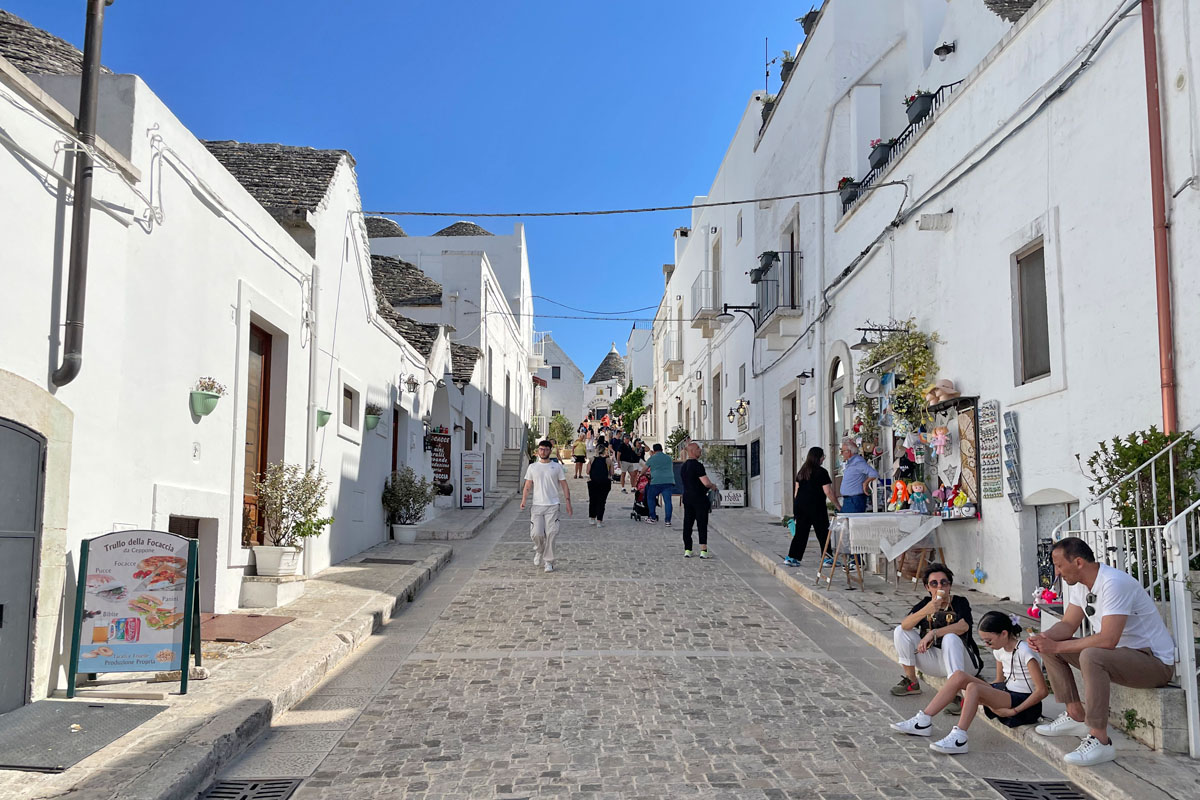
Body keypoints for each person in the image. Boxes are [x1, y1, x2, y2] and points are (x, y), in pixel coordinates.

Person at [1028, 537, 1176, 767]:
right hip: (1120, 656)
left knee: (1091, 654)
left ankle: (1100, 740)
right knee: (1050, 643)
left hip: (1154, 662)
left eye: (1059, 565)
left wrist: (1056, 646)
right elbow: (1068, 625)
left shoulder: (1114, 583)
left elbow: (1108, 639)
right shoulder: (1080, 585)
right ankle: (1075, 715)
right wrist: (1044, 639)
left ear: (1078, 562)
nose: (1056, 572)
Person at [891, 611, 1048, 754]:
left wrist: (1013, 711)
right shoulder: (999, 649)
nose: (987, 645)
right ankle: (923, 720)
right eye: (984, 641)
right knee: (959, 676)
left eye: (989, 641)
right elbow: (999, 681)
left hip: (1024, 705)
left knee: (973, 687)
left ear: (1004, 633)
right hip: (1007, 694)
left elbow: (1042, 691)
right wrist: (989, 701)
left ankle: (959, 737)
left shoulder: (1025, 651)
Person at [890, 563, 982, 716]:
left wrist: (933, 633)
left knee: (950, 638)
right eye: (934, 583)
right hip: (936, 660)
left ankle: (957, 695)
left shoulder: (960, 602)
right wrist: (927, 610)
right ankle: (912, 682)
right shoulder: (925, 604)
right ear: (928, 587)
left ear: (949, 585)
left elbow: (963, 626)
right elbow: (905, 624)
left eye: (943, 582)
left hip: (963, 662)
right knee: (900, 631)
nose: (940, 586)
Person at [520, 440, 572, 573]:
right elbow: (528, 485)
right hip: (537, 505)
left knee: (551, 533)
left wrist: (568, 502)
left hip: (553, 505)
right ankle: (539, 550)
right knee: (536, 534)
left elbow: (564, 485)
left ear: (550, 450)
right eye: (541, 449)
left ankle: (548, 561)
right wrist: (524, 500)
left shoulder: (557, 467)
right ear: (538, 450)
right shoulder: (532, 467)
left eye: (546, 449)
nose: (543, 452)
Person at [785, 447, 839, 567]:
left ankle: (792, 557)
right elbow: (828, 491)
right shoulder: (822, 472)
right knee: (823, 532)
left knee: (801, 532)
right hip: (816, 506)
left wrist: (796, 508)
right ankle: (827, 558)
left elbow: (796, 492)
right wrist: (838, 505)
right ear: (818, 458)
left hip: (800, 506)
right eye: (823, 456)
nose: (824, 458)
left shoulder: (802, 472)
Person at [680, 442, 718, 558]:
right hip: (699, 498)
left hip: (687, 498)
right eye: (698, 448)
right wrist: (713, 486)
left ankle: (688, 549)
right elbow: (705, 483)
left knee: (688, 524)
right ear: (692, 451)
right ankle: (703, 550)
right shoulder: (698, 466)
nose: (700, 450)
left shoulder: (683, 466)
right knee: (701, 524)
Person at [838, 439, 879, 513]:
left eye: (842, 451)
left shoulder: (857, 461)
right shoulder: (851, 462)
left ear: (848, 452)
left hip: (854, 500)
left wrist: (865, 483)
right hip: (850, 500)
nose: (841, 453)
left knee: (852, 520)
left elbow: (873, 473)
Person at [644, 443, 675, 527]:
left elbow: (644, 469)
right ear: (662, 449)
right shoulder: (668, 458)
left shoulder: (652, 458)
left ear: (654, 451)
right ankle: (668, 521)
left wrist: (644, 474)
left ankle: (652, 517)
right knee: (668, 501)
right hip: (668, 481)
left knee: (650, 497)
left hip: (656, 482)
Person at [586, 441, 612, 527]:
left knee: (593, 500)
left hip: (593, 482)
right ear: (604, 451)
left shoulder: (591, 459)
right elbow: (612, 473)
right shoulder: (608, 460)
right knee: (602, 501)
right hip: (605, 482)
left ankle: (592, 518)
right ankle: (599, 521)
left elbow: (587, 471)